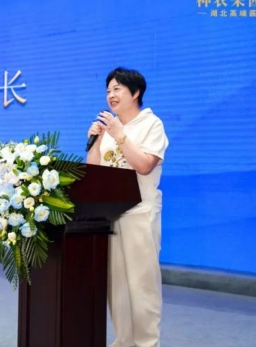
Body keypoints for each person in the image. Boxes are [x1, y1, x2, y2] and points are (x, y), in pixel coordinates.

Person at [86, 67, 169, 347]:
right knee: (117, 286)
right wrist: (97, 141)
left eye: (117, 89)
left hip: (139, 213)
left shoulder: (151, 124)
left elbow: (144, 165)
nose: (111, 95)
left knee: (141, 285)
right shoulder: (109, 128)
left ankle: (146, 343)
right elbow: (93, 173)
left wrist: (119, 134)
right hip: (110, 215)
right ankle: (123, 341)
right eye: (108, 90)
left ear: (135, 93)